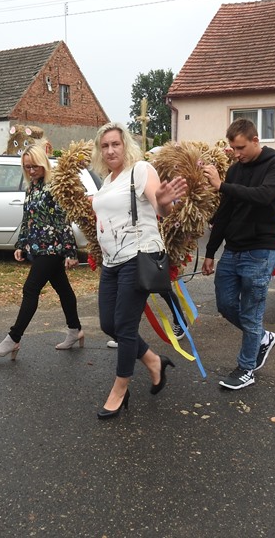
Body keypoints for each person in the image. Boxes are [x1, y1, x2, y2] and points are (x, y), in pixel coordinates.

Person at [90, 122, 187, 419]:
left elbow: (161, 206)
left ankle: (120, 389)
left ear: (125, 145)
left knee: (125, 326)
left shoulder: (140, 170)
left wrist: (166, 203)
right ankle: (154, 361)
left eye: (115, 144)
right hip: (111, 262)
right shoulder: (107, 181)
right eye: (105, 146)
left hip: (138, 255)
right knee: (109, 324)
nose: (110, 150)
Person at [201, 118, 275, 390]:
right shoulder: (235, 170)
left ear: (255, 140)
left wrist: (221, 186)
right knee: (225, 304)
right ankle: (262, 337)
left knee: (251, 312)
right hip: (233, 249)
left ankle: (246, 368)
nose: (237, 154)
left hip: (261, 250)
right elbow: (225, 213)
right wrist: (210, 251)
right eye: (233, 148)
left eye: (241, 148)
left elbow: (263, 196)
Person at [0, 144, 84, 358]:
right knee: (63, 289)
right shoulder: (32, 187)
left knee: (30, 289)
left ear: (44, 164)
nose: (31, 171)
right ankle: (75, 330)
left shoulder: (54, 186)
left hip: (53, 248)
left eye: (35, 166)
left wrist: (70, 252)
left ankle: (13, 339)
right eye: (27, 167)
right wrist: (21, 244)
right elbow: (28, 218)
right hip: (38, 247)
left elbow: (63, 221)